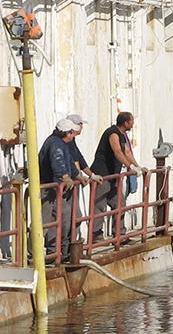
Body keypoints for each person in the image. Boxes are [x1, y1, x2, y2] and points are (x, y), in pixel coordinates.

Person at [39, 117, 89, 261]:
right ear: (68, 133)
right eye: (73, 133)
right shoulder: (55, 144)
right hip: (49, 188)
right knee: (47, 222)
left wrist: (78, 176)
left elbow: (69, 161)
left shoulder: (61, 143)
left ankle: (63, 251)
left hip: (57, 189)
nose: (74, 135)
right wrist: (65, 177)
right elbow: (58, 161)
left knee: (65, 217)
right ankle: (47, 253)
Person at [91, 111, 140, 240]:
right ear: (126, 123)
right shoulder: (113, 133)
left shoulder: (122, 135)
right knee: (99, 204)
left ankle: (120, 235)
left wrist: (137, 167)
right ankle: (96, 234)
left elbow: (127, 152)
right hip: (102, 174)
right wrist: (130, 167)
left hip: (113, 175)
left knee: (119, 203)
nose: (133, 124)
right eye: (131, 122)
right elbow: (117, 152)